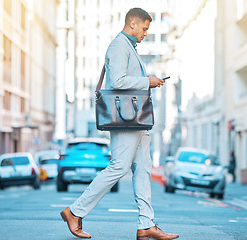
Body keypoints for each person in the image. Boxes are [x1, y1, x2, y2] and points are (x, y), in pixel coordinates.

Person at [60, 8, 179, 240]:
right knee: (119, 167)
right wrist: (148, 81)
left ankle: (146, 224)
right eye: (144, 28)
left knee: (143, 170)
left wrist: (148, 80)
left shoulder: (129, 47)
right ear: (132, 24)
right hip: (126, 119)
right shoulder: (119, 45)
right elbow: (118, 81)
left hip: (137, 120)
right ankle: (75, 211)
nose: (145, 33)